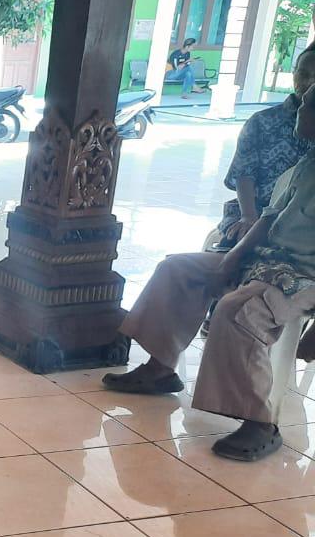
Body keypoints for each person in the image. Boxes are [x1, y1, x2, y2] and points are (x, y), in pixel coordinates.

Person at [103, 82, 315, 461]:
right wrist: (232, 259)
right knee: (177, 270)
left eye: (309, 106)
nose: (300, 110)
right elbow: (267, 220)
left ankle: (261, 424)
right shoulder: (306, 165)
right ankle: (160, 368)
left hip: (303, 277)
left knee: (238, 310)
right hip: (267, 260)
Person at [209, 43, 315, 248]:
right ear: (293, 74)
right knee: (235, 243)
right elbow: (244, 173)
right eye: (303, 74)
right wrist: (248, 216)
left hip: (304, 219)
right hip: (256, 209)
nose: (309, 82)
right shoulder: (261, 121)